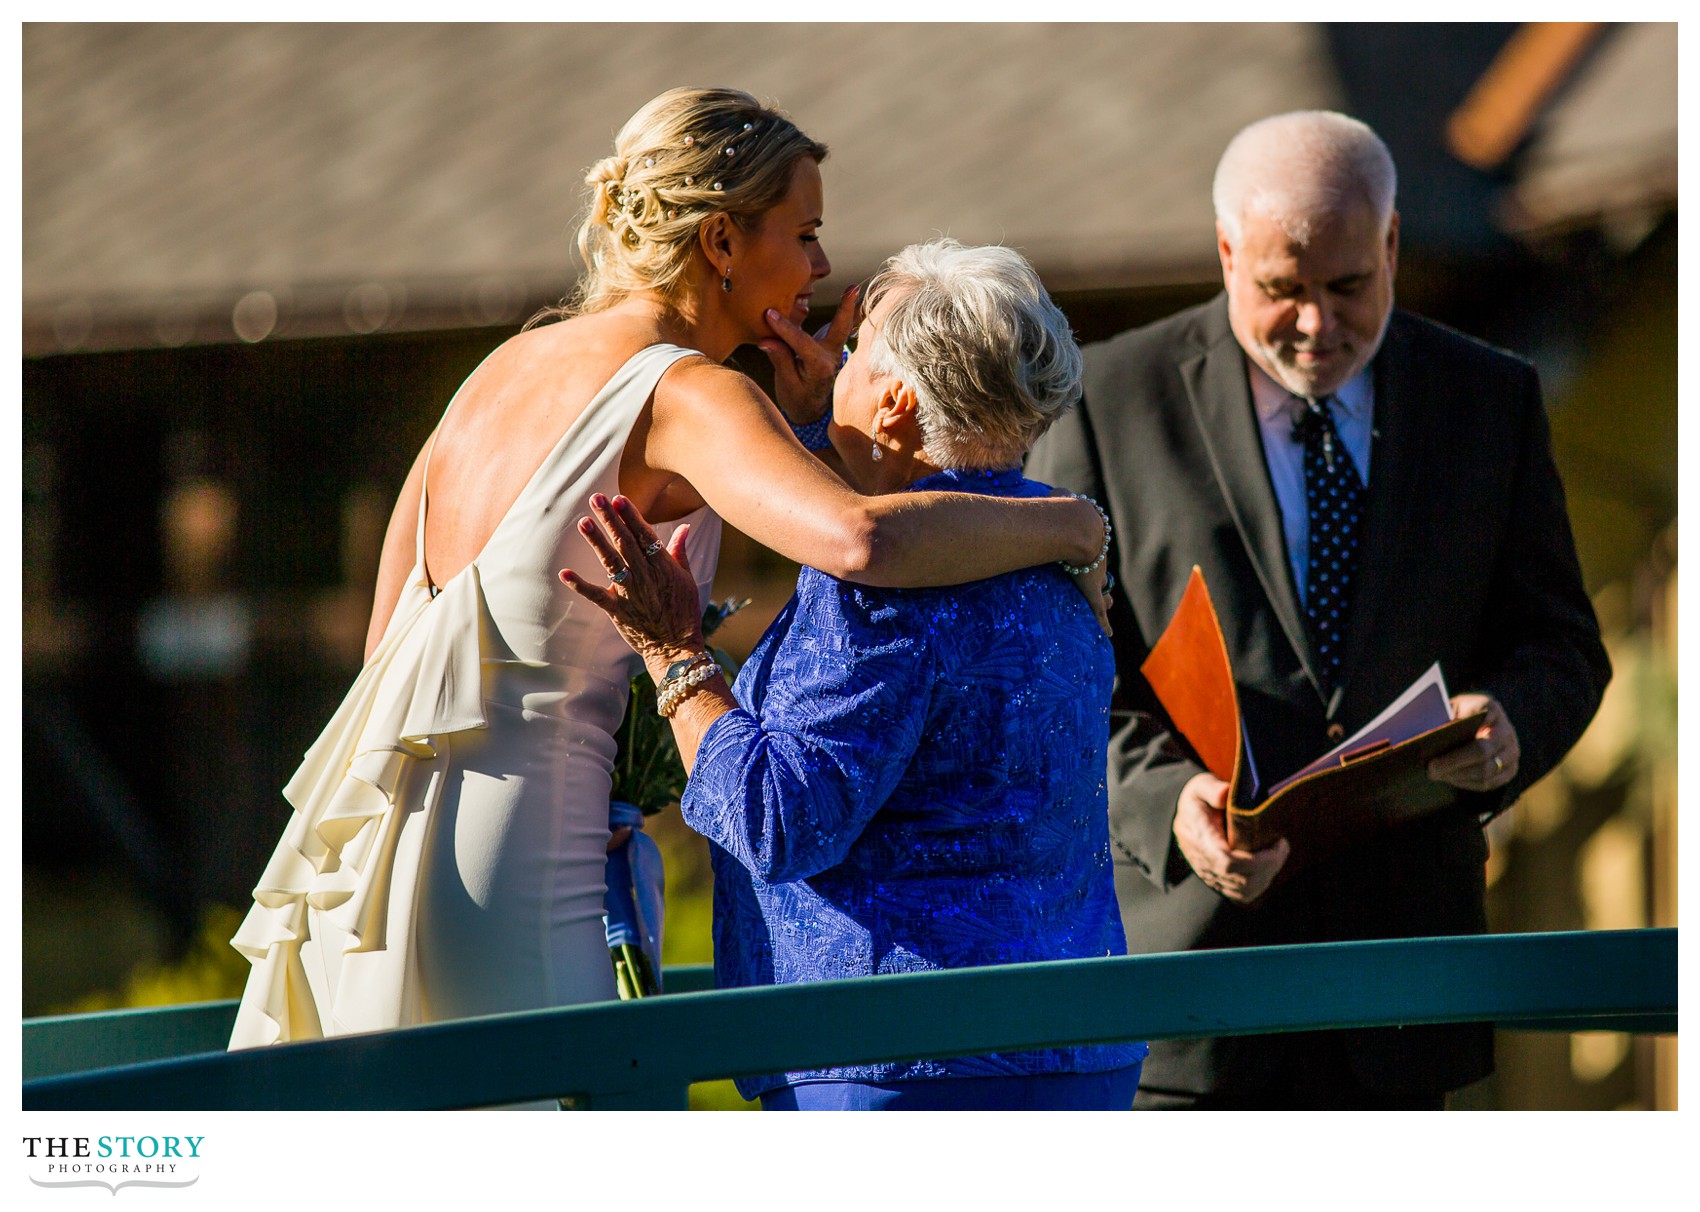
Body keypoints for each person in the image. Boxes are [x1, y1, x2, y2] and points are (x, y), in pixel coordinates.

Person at [227, 89, 1112, 1049]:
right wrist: (1067, 522)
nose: (820, 266)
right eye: (805, 232)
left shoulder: (501, 370)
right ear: (723, 242)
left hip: (385, 856)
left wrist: (812, 428)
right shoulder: (689, 394)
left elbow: (385, 645)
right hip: (529, 859)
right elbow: (861, 542)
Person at [1024, 110, 1610, 1110]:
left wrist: (1509, 728)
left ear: (1389, 244)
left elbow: (1561, 646)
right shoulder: (1105, 406)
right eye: (1278, 290)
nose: (1313, 323)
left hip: (1402, 987)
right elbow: (1052, 686)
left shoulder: (1489, 398)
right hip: (1188, 994)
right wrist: (1167, 807)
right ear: (1223, 253)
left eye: (1346, 287)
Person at [564, 239, 1146, 1111]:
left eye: (855, 353)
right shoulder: (1061, 559)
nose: (829, 364)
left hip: (895, 1063)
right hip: (1073, 1051)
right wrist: (817, 437)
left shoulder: (882, 595)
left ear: (895, 402)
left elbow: (778, 822)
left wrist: (675, 657)